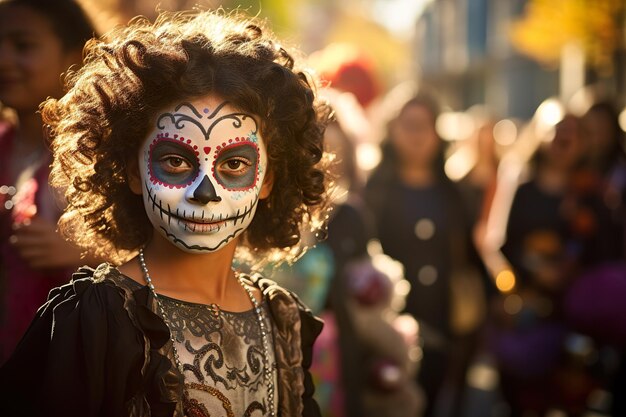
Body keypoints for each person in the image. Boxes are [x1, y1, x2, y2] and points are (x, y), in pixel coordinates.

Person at [0, 9, 331, 417]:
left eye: (234, 164)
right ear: (131, 170)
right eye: (175, 161)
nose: (204, 192)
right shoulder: (94, 320)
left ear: (268, 180)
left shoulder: (282, 322)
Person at [365, 92, 483, 417]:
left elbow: (470, 253)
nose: (417, 134)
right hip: (388, 329)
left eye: (426, 125)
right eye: (409, 125)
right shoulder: (375, 191)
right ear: (392, 130)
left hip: (443, 322)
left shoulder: (453, 193)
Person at [0, 0, 97, 362]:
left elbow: (157, 246)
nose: (3, 59)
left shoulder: (98, 152)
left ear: (75, 56)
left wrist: (83, 251)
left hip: (70, 361)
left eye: (23, 46)